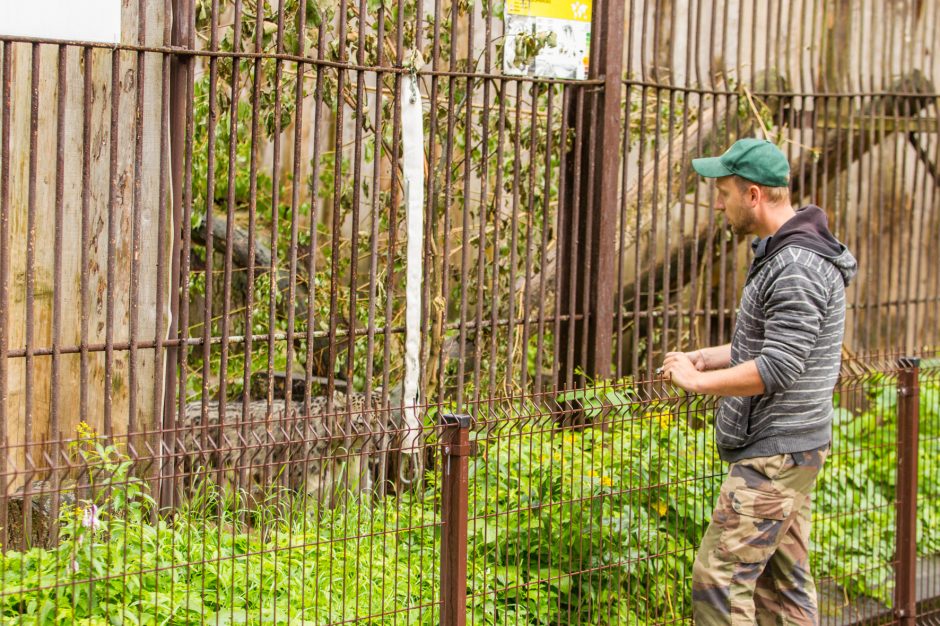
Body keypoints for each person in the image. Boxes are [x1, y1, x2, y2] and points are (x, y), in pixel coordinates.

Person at [661, 138, 857, 625]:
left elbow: (778, 366)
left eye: (724, 191)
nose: (718, 202)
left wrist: (695, 383)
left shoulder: (795, 266)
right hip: (793, 446)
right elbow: (778, 345)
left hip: (776, 453)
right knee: (781, 590)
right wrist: (705, 358)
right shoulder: (790, 253)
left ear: (753, 195)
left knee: (719, 582)